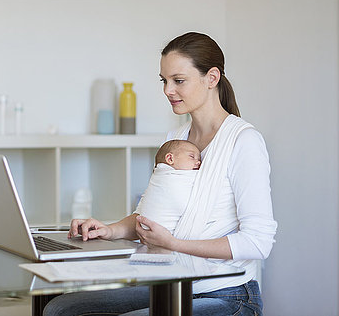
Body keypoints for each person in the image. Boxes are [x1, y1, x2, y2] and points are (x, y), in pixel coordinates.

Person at [44, 32, 277, 316]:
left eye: (178, 81)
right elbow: (153, 216)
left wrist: (172, 244)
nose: (168, 90)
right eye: (164, 81)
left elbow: (258, 242)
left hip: (227, 295)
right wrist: (110, 229)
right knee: (60, 308)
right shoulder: (177, 138)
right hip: (171, 282)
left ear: (212, 78)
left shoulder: (244, 141)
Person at [136, 139, 201, 234]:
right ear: (170, 159)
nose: (198, 162)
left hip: (147, 231)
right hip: (164, 232)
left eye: (199, 159)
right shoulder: (165, 177)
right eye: (192, 156)